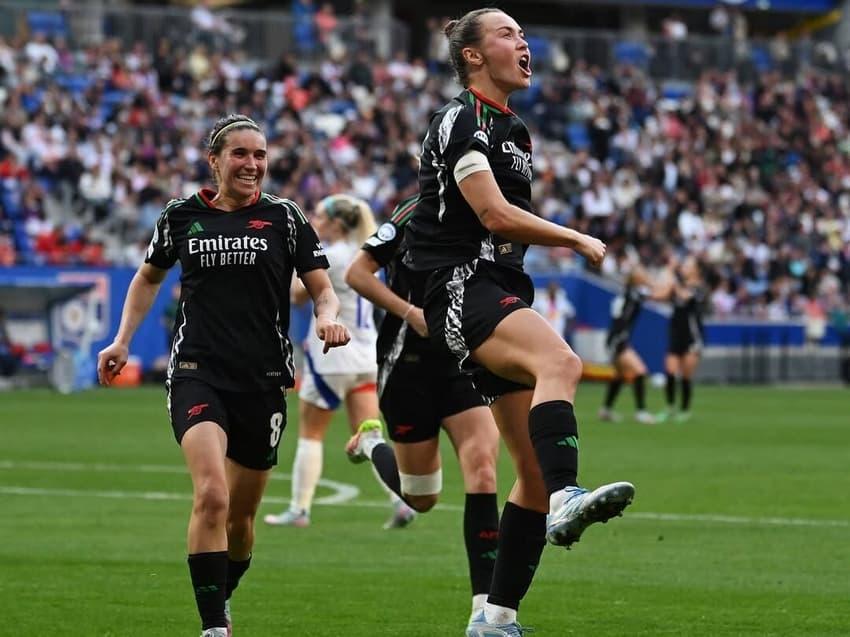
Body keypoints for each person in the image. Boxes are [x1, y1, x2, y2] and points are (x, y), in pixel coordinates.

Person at [402, 10, 635, 635]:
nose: (524, 43)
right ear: (473, 56)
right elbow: (494, 215)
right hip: (460, 286)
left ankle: (495, 617)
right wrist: (575, 237)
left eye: (524, 35)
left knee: (528, 472)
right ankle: (567, 497)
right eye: (508, 34)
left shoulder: (515, 130)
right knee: (561, 361)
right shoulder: (460, 119)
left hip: (496, 288)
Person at [96, 114, 350, 637]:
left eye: (260, 155)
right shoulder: (180, 216)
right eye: (240, 154)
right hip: (197, 372)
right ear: (214, 160)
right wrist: (122, 339)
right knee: (212, 495)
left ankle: (222, 592)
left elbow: (322, 288)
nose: (252, 164)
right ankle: (214, 626)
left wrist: (327, 316)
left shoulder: (285, 217)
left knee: (240, 521)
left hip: (263, 381)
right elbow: (147, 277)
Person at [343, 194, 501, 621]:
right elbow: (357, 273)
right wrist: (410, 312)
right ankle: (371, 443)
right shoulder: (414, 214)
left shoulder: (494, 212)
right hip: (407, 366)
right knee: (422, 497)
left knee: (483, 468)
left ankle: (486, 611)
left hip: (461, 361)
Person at [263, 194, 417, 530]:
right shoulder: (364, 253)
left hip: (333, 356)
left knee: (311, 434)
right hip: (365, 356)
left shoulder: (330, 256)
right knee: (368, 434)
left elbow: (297, 295)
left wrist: (298, 259)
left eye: (319, 216)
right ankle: (400, 500)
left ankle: (299, 509)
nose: (315, 221)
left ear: (336, 224)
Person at [598, 266, 659, 424]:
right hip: (618, 340)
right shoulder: (633, 294)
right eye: (642, 273)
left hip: (617, 338)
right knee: (640, 371)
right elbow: (657, 295)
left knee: (619, 375)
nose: (645, 275)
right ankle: (641, 412)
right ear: (635, 278)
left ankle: (605, 410)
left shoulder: (630, 293)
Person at [656, 255, 708, 423]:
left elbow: (686, 297)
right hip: (676, 333)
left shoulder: (700, 288)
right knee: (670, 372)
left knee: (686, 376)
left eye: (688, 265)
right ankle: (670, 407)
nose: (684, 267)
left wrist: (673, 278)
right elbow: (660, 295)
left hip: (692, 337)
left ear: (696, 270)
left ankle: (685, 410)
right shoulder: (678, 285)